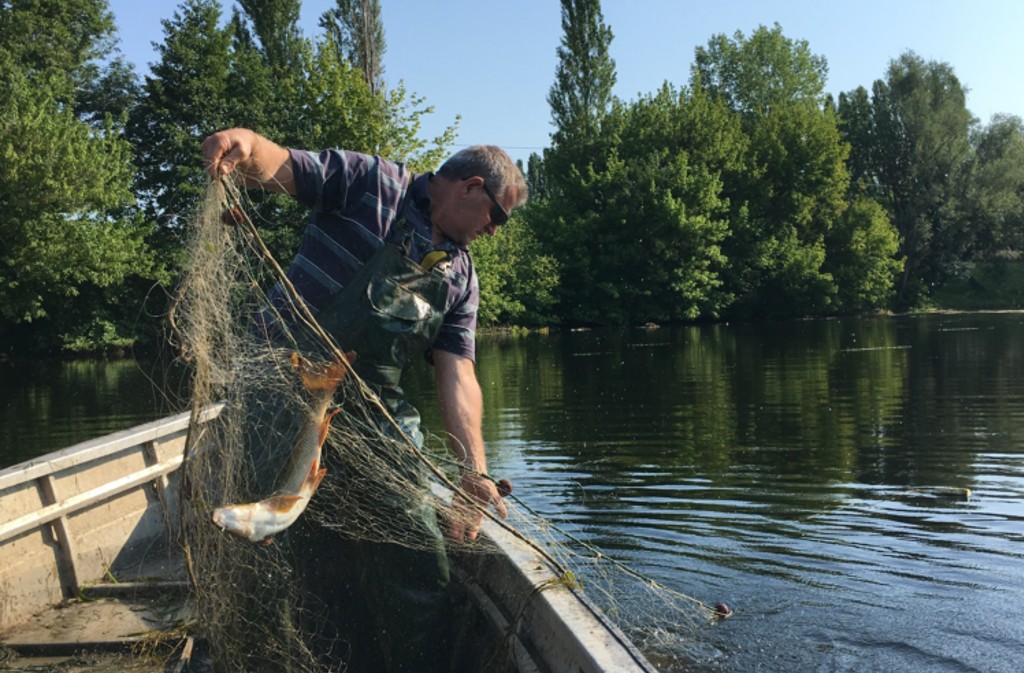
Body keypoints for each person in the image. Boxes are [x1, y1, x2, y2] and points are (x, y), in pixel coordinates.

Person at [202, 128, 526, 672]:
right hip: (276, 388)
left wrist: (475, 471)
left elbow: (459, 376)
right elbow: (280, 165)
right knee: (262, 544)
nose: (494, 232)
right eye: (498, 218)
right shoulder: (372, 182)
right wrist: (243, 147)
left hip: (372, 411)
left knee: (415, 546)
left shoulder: (460, 278)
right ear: (473, 187)